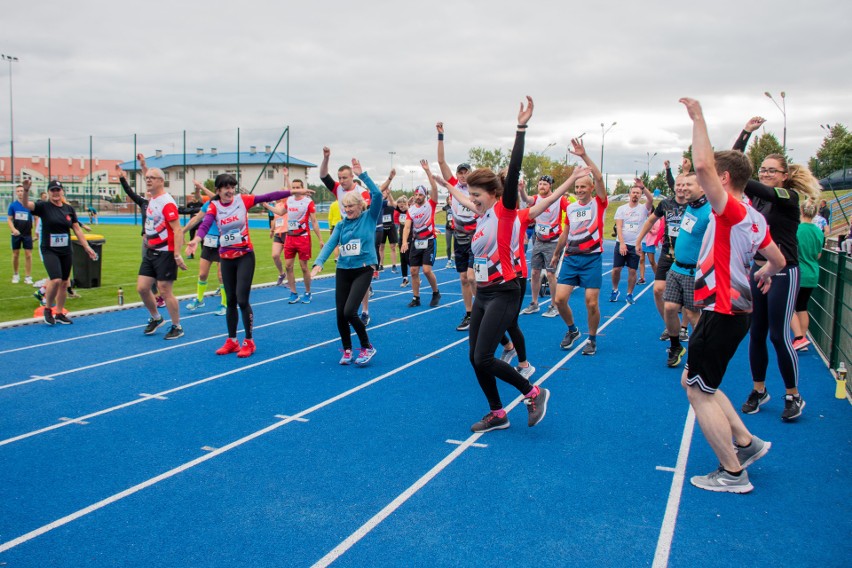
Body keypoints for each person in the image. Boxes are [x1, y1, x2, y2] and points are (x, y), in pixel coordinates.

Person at [680, 97, 785, 494]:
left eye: (711, 178)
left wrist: (699, 118)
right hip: (727, 310)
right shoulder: (755, 216)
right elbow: (775, 257)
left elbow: (704, 164)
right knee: (696, 381)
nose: (704, 181)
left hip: (724, 311)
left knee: (697, 391)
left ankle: (732, 473)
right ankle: (746, 442)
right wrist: (765, 271)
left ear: (722, 180)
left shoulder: (731, 211)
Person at [435, 97, 548, 433]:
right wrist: (444, 184)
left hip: (504, 291)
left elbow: (512, 171)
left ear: (493, 193)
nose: (472, 198)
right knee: (475, 358)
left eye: (476, 193)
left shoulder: (505, 210)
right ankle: (498, 413)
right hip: (484, 293)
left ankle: (533, 392)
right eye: (470, 192)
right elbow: (460, 198)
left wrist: (521, 128)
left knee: (484, 357)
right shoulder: (483, 215)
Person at [733, 117, 822, 421]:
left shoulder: (788, 197)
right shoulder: (755, 197)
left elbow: (745, 180)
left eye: (773, 170)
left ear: (784, 176)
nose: (767, 174)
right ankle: (759, 390)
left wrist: (742, 177)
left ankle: (793, 394)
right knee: (755, 333)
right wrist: (745, 134)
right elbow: (733, 167)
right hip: (756, 272)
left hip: (784, 272)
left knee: (778, 334)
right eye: (763, 170)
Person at [187, 174, 309, 357]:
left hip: (244, 256)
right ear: (218, 190)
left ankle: (249, 341)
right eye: (225, 187)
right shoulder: (214, 206)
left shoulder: (242, 201)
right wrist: (196, 239)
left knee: (242, 300)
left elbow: (267, 196)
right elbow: (205, 224)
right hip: (226, 257)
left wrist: (293, 191)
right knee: (230, 301)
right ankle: (232, 341)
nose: (229, 191)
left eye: (232, 187)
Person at [311, 158, 382, 366]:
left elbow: (377, 195)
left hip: (363, 269)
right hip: (343, 269)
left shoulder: (369, 217)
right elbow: (330, 243)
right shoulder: (342, 225)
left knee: (350, 311)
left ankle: (366, 346)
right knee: (340, 314)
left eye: (352, 206)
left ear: (360, 205)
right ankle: (348, 349)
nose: (348, 209)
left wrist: (363, 175)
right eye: (346, 206)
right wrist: (319, 263)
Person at [550, 137, 608, 355]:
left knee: (591, 303)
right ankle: (573, 330)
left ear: (592, 188)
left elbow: (600, 177)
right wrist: (557, 254)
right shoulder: (572, 209)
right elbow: (566, 232)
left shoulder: (599, 203)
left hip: (591, 259)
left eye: (584, 186)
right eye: (577, 187)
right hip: (571, 258)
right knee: (560, 299)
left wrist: (583, 155)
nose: (580, 189)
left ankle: (592, 338)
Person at [20, 180, 98, 325]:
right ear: (49, 192)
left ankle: (59, 312)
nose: (56, 193)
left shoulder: (68, 209)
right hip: (49, 250)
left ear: (62, 191)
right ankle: (48, 309)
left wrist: (87, 247)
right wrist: (25, 191)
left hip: (66, 250)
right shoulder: (43, 206)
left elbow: (77, 229)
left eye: (58, 190)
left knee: (64, 282)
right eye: (53, 190)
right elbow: (26, 205)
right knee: (55, 279)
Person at [635, 161, 690, 341]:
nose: (681, 188)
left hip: (688, 256)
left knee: (687, 298)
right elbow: (650, 221)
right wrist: (639, 239)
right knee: (658, 290)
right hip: (668, 254)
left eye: (684, 185)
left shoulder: (693, 205)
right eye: (678, 185)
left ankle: (683, 328)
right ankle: (669, 325)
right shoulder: (666, 204)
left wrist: (685, 171)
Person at [661, 172, 711, 368]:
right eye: (682, 185)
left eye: (689, 185)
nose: (683, 189)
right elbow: (676, 185)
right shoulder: (690, 205)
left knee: (692, 314)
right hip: (675, 268)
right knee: (670, 308)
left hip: (693, 272)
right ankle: (675, 347)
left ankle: (700, 351)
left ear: (702, 187)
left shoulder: (709, 212)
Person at [320, 147, 373, 326]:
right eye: (339, 178)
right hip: (345, 233)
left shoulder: (362, 192)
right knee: (348, 274)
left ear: (352, 177)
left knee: (361, 272)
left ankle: (364, 310)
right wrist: (326, 158)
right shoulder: (338, 189)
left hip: (361, 235)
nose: (341, 181)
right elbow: (323, 177)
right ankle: (351, 310)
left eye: (345, 178)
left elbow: (370, 209)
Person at [135, 167, 189, 339]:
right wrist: (147, 236)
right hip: (151, 251)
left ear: (161, 181)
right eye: (147, 177)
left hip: (166, 252)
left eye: (152, 178)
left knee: (165, 290)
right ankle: (157, 318)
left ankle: (177, 326)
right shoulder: (153, 199)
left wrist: (177, 254)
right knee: (142, 288)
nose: (148, 180)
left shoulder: (167, 202)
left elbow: (177, 229)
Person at [437, 123, 477, 331]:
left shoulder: (477, 187)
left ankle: (483, 310)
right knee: (464, 278)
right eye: (460, 173)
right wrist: (441, 136)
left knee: (473, 277)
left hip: (477, 238)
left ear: (470, 173)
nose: (462, 176)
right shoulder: (453, 186)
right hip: (459, 236)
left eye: (465, 172)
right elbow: (441, 161)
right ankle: (470, 313)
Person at [264, 175, 323, 303]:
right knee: (288, 266)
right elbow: (280, 212)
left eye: (298, 188)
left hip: (303, 238)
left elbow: (314, 221)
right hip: (290, 238)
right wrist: (266, 205)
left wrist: (320, 239)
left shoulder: (308, 202)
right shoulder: (289, 200)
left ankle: (307, 292)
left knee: (303, 267)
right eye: (294, 188)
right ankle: (293, 293)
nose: (295, 190)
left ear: (302, 188)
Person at [521, 175, 570, 318]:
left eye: (544, 184)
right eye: (540, 184)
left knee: (550, 274)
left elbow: (571, 210)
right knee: (535, 272)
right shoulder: (536, 199)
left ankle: (554, 305)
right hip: (538, 240)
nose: (541, 186)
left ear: (550, 186)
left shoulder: (559, 199)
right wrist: (522, 189)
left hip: (553, 241)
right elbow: (526, 200)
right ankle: (534, 303)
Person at [182, 180, 227, 316]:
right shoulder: (208, 204)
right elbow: (196, 219)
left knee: (221, 276)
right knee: (202, 274)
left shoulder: (226, 204)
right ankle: (200, 299)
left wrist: (201, 187)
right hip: (208, 242)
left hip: (222, 243)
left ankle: (224, 303)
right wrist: (182, 231)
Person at [401, 160, 441, 308]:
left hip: (429, 240)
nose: (418, 196)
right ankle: (416, 297)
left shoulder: (430, 204)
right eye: (416, 194)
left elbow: (435, 187)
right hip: (416, 241)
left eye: (420, 194)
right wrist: (405, 241)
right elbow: (407, 227)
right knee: (413, 270)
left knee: (426, 270)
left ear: (425, 195)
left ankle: (436, 292)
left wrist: (427, 171)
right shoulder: (411, 210)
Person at [610, 181, 654, 304]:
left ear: (641, 195)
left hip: (635, 245)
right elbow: (619, 227)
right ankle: (615, 289)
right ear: (629, 194)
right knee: (616, 269)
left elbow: (651, 199)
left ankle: (629, 293)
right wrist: (622, 243)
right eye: (633, 192)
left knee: (632, 271)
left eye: (638, 193)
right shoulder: (621, 209)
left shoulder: (644, 208)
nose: (635, 195)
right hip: (622, 243)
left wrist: (643, 187)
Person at [791, 200, 825, 351]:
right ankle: (802, 338)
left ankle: (798, 337)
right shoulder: (818, 231)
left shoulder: (797, 229)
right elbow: (818, 254)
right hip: (812, 273)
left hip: (798, 272)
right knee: (802, 306)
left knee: (790, 306)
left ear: (801, 211)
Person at [8, 184, 35, 284]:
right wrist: (13, 229)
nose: (20, 192)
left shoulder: (29, 205)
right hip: (16, 234)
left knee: (28, 255)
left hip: (27, 233)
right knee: (15, 254)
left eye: (22, 191)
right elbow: (9, 219)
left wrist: (36, 232)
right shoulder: (13, 205)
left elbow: (35, 217)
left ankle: (28, 276)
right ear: (16, 192)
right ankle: (16, 274)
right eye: (18, 191)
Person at [378, 172, 399, 274]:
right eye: (383, 192)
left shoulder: (389, 202)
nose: (384, 194)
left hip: (391, 226)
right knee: (381, 247)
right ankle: (381, 265)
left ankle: (394, 265)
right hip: (382, 227)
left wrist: (389, 193)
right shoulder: (379, 203)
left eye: (385, 192)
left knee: (393, 247)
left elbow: (394, 204)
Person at [395, 195, 411, 287]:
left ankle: (415, 274)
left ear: (406, 204)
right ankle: (405, 278)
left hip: (409, 238)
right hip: (401, 238)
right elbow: (393, 204)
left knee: (408, 258)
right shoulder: (399, 212)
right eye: (399, 205)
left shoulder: (410, 212)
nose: (401, 207)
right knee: (403, 259)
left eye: (403, 205)